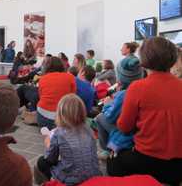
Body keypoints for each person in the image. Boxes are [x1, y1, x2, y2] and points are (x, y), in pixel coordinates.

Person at [107, 37, 182, 186]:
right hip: (178, 167)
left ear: (144, 59)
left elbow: (124, 126)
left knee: (112, 162)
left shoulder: (138, 87)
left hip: (147, 161)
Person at [34, 94, 101, 185]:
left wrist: (48, 143)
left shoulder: (59, 133)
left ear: (61, 114)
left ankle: (49, 183)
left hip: (71, 180)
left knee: (42, 162)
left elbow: (50, 159)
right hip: (94, 176)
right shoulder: (89, 130)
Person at [95, 55, 143, 159]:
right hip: (140, 132)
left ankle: (107, 150)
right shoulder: (142, 89)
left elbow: (111, 117)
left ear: (121, 77)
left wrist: (108, 104)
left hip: (128, 135)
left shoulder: (124, 94)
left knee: (99, 118)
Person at [37, 57, 76, 130]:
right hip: (63, 116)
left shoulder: (43, 78)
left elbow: (40, 96)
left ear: (47, 66)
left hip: (43, 115)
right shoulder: (70, 77)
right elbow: (72, 96)